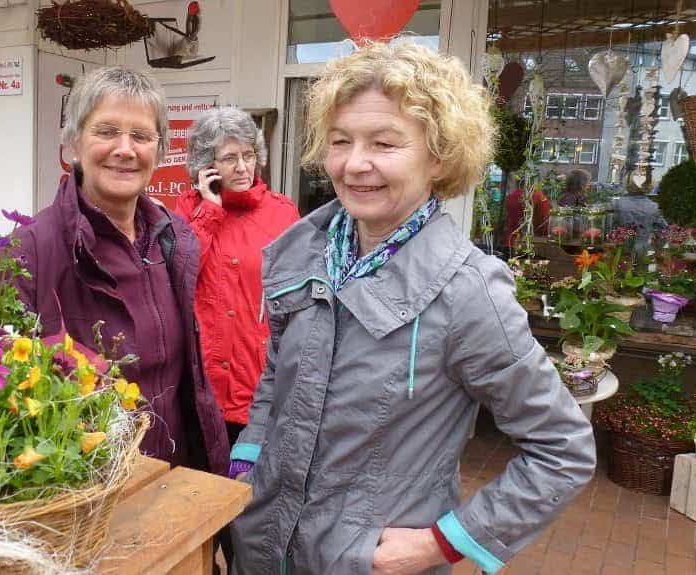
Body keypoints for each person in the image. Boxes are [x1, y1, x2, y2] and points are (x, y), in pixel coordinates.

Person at [228, 40, 596, 575]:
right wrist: (248, 461)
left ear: (439, 155)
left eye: (384, 142)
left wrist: (443, 544)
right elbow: (275, 376)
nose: (356, 164)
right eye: (340, 141)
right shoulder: (302, 251)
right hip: (261, 548)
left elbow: (562, 449)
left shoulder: (468, 292)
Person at [4, 66, 228, 475]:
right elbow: (0, 399)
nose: (125, 149)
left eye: (141, 136)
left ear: (158, 154)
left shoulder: (172, 240)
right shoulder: (28, 253)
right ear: (73, 143)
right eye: (106, 131)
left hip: (173, 479)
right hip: (81, 491)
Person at [175, 107, 300, 446]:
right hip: (202, 382)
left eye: (248, 155)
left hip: (255, 378)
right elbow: (179, 278)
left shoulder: (282, 212)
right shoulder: (188, 210)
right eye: (230, 158)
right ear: (207, 164)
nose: (243, 167)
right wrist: (210, 211)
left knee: (249, 486)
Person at [613, 185, 668, 252]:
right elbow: (664, 232)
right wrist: (657, 247)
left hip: (618, 251)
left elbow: (610, 228)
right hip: (644, 250)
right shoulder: (654, 207)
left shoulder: (617, 204)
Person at [503, 178, 550, 250]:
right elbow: (544, 222)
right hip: (532, 242)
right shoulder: (539, 197)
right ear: (533, 184)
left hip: (511, 240)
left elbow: (506, 219)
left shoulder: (510, 197)